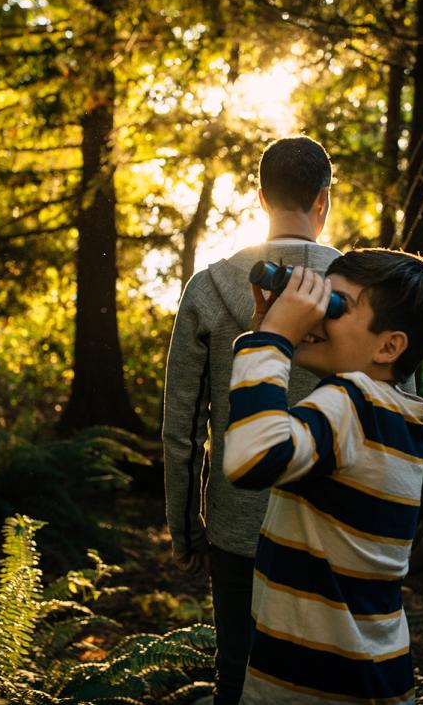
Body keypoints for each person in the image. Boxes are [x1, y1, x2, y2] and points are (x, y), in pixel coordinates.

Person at [223, 249, 423, 704]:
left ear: (389, 346)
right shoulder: (393, 412)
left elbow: (251, 456)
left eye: (336, 306)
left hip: (323, 684)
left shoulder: (352, 402)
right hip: (367, 673)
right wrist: (270, 333)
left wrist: (273, 337)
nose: (314, 312)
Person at [162, 136, 342, 705]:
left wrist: (186, 528)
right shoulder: (363, 293)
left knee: (236, 674)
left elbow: (182, 427)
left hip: (240, 526)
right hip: (336, 528)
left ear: (260, 197)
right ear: (323, 200)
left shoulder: (211, 288)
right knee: (327, 680)